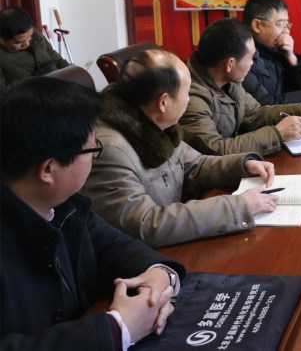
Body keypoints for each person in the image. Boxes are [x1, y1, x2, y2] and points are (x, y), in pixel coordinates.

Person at [0, 77, 184, 351]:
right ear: (48, 169)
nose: (95, 155)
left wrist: (159, 277)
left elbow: (112, 246)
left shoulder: (65, 205)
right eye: (92, 148)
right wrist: (116, 329)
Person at [81, 49, 281, 248]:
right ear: (163, 102)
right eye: (186, 92)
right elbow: (146, 224)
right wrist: (238, 206)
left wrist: (243, 165)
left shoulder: (153, 121)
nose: (189, 99)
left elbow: (195, 164)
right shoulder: (111, 150)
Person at [179, 18, 301, 156]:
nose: (252, 63)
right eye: (251, 58)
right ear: (230, 64)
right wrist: (277, 133)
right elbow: (215, 150)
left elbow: (256, 114)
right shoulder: (189, 97)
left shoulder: (229, 80)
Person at [0, 6, 69, 89]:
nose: (27, 44)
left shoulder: (36, 36)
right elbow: (3, 94)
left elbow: (58, 61)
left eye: (29, 36)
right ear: (2, 40)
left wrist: (73, 73)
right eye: (19, 42)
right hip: (34, 95)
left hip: (60, 87)